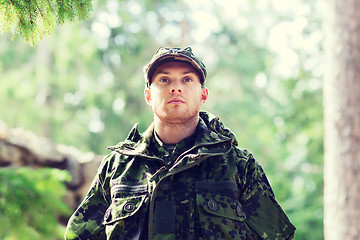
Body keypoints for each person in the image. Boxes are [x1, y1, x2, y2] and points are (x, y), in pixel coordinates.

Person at [65, 46, 296, 240]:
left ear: (203, 95)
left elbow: (276, 235)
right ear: (148, 95)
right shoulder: (117, 167)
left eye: (187, 79)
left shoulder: (238, 165)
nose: (176, 87)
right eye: (164, 80)